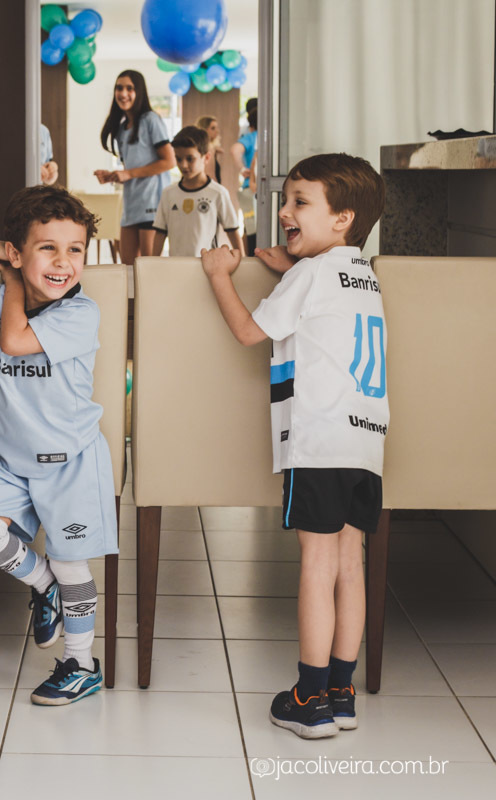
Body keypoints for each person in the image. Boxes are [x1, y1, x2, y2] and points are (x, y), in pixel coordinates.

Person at [199, 153, 388, 739]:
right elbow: (322, 310)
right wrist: (289, 264)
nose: (283, 211)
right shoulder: (361, 272)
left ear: (342, 219)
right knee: (349, 566)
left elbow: (250, 332)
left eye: (299, 202)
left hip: (318, 441)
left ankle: (307, 699)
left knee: (316, 564)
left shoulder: (310, 275)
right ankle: (340, 691)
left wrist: (218, 276)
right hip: (365, 444)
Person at [0, 185, 118, 706]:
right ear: (19, 252)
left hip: (71, 463)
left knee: (74, 562)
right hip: (14, 463)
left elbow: (14, 340)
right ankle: (42, 585)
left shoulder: (81, 315)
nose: (63, 262)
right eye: (46, 248)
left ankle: (81, 665)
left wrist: (10, 278)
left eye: (75, 249)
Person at [94, 69, 175, 265]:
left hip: (152, 205)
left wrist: (129, 173)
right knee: (128, 269)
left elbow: (169, 161)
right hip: (131, 206)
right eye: (119, 88)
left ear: (139, 92)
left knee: (148, 270)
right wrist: (113, 176)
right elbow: (133, 168)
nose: (123, 93)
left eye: (129, 88)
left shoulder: (151, 120)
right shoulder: (123, 128)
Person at [152, 126, 242, 257]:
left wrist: (243, 262)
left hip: (207, 268)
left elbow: (232, 231)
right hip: (176, 268)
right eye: (179, 159)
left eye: (190, 159)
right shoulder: (168, 193)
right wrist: (152, 264)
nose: (183, 165)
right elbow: (160, 233)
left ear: (206, 158)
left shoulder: (218, 193)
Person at [233, 99, 259, 255]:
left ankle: (248, 259)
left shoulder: (250, 135)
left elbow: (235, 150)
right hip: (252, 190)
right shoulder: (258, 136)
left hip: (249, 188)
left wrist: (242, 168)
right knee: (253, 230)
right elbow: (235, 149)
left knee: (249, 229)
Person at [194, 115, 223, 185]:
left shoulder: (206, 147)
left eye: (216, 128)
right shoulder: (209, 148)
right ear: (203, 129)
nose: (217, 131)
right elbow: (211, 175)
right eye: (213, 128)